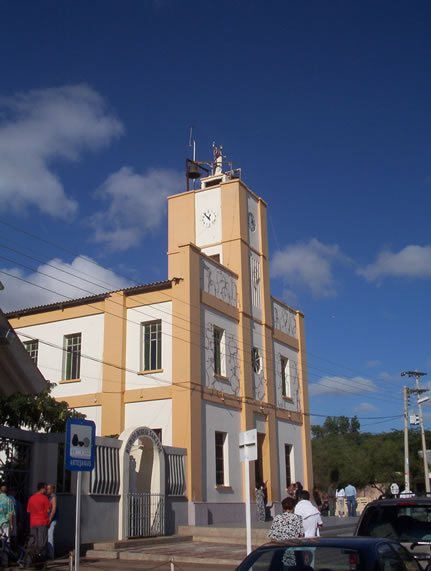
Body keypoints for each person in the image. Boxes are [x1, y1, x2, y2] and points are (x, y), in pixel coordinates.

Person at [27, 482, 51, 560]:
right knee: (42, 542)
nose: (46, 490)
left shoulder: (31, 498)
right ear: (42, 489)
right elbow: (48, 510)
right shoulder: (44, 498)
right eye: (45, 489)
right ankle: (41, 560)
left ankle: (30, 559)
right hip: (42, 522)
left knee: (33, 541)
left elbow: (28, 511)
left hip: (33, 522)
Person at [0, 483, 15, 567]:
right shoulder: (9, 500)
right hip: (5, 525)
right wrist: (11, 525)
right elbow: (11, 514)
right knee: (6, 542)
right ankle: (5, 562)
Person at [46, 483, 57, 560]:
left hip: (52, 520)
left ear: (52, 489)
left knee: (50, 537)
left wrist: (50, 520)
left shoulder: (53, 498)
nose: (47, 490)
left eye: (49, 489)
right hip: (49, 519)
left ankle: (51, 555)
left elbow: (53, 510)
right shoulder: (49, 497)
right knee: (48, 536)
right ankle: (48, 553)